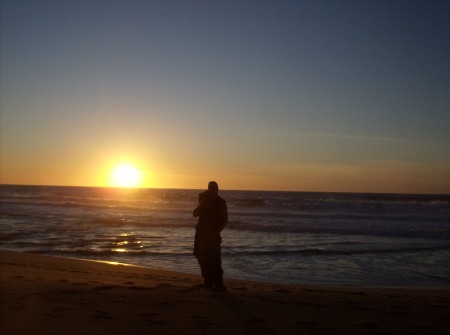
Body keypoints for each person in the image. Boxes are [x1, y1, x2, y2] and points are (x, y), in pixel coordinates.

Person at [193, 181, 228, 290]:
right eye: (210, 189)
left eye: (214, 189)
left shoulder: (221, 202)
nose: (212, 191)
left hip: (213, 234)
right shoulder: (204, 200)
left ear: (217, 190)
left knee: (215, 259)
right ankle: (208, 280)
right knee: (200, 255)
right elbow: (195, 213)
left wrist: (216, 231)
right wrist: (203, 201)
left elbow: (224, 220)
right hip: (201, 233)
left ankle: (218, 283)